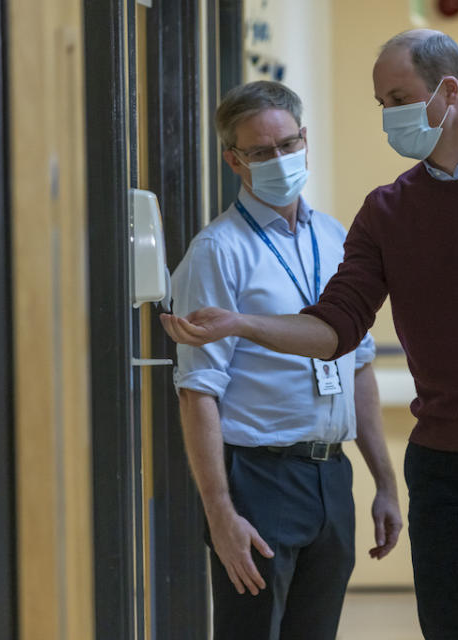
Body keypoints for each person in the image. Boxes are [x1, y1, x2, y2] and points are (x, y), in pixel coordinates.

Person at [162, 29, 458, 640]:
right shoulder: (386, 212)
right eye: (381, 104)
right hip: (443, 469)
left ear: (448, 92)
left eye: (399, 97)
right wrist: (239, 323)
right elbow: (336, 328)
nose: (389, 117)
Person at [171, 80, 402, 640]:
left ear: (305, 139)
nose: (280, 159)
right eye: (260, 152)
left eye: (288, 144)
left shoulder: (334, 237)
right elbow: (197, 391)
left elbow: (360, 366)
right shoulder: (217, 251)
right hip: (257, 477)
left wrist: (385, 483)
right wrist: (220, 513)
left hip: (329, 476)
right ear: (234, 160)